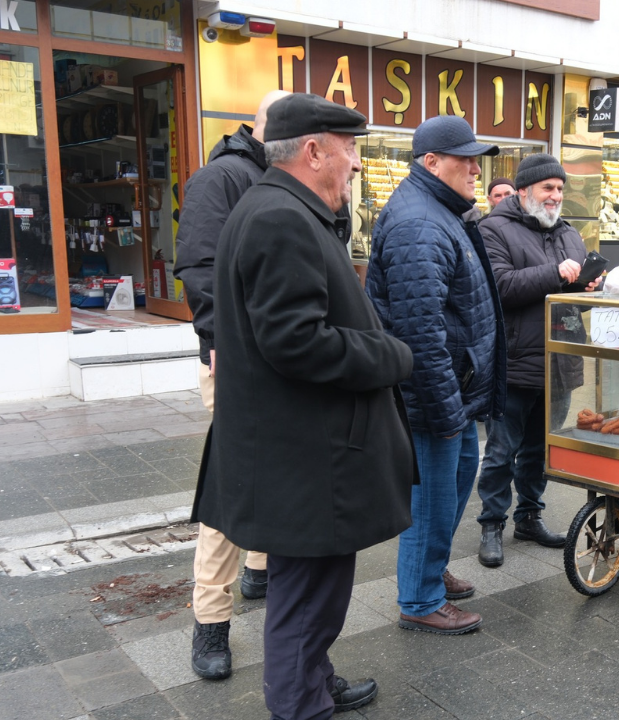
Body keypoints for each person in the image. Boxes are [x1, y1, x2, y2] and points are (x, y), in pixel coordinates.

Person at [192, 94, 417, 719]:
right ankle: (301, 704)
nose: (356, 163)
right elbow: (295, 341)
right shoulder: (279, 216)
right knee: (306, 599)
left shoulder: (283, 208)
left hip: (306, 453)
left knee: (316, 595)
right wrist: (390, 355)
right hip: (308, 459)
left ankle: (313, 681)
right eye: (349, 148)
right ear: (314, 151)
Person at [367, 115, 506, 635]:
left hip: (454, 389)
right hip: (433, 396)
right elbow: (419, 333)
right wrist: (444, 409)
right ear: (431, 162)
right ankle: (420, 599)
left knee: (454, 483)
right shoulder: (419, 224)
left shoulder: (440, 211)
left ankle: (432, 568)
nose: (476, 169)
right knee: (431, 499)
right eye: (465, 160)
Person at [172, 88, 286, 681]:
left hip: (285, 359)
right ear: (263, 127)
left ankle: (259, 571)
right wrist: (224, 343)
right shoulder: (220, 178)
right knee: (233, 484)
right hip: (236, 361)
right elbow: (199, 267)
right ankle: (210, 619)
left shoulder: (286, 178)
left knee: (275, 473)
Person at [474, 154, 599, 567]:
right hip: (514, 364)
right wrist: (556, 273)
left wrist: (589, 288)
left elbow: (571, 300)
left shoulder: (569, 233)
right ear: (524, 190)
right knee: (500, 452)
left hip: (560, 363)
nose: (556, 196)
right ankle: (491, 524)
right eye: (548, 188)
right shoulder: (493, 229)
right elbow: (500, 286)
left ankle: (529, 517)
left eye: (560, 188)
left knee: (539, 450)